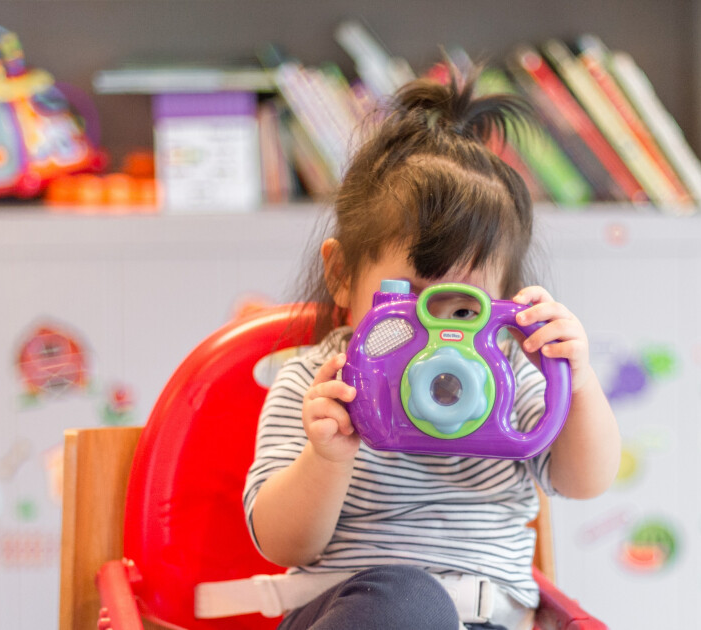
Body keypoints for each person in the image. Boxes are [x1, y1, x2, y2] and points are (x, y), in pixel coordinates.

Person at [242, 64, 621, 630]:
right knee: (405, 601)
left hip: (490, 619)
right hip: (357, 612)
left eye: (465, 310)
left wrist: (578, 382)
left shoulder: (509, 378)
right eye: (408, 305)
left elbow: (583, 481)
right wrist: (327, 458)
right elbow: (281, 544)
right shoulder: (317, 383)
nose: (437, 339)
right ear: (343, 275)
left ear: (505, 306)